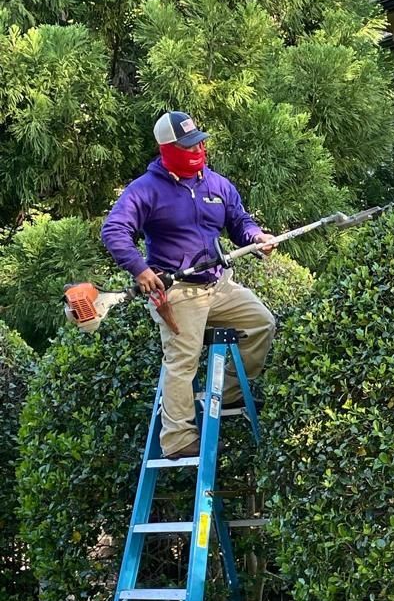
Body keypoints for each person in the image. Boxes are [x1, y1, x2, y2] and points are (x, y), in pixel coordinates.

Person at [101, 111, 277, 459]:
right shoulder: (145, 190)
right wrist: (140, 269)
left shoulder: (217, 184)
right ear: (166, 148)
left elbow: (239, 222)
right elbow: (114, 230)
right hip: (176, 291)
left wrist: (257, 237)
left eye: (198, 142)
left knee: (262, 323)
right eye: (187, 145)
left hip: (218, 285)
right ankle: (177, 439)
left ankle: (224, 394)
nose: (196, 150)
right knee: (183, 360)